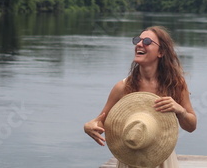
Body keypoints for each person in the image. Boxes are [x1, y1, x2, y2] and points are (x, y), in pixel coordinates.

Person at [84, 26, 197, 167]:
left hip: (163, 160)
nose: (139, 44)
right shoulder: (122, 87)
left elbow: (191, 126)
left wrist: (180, 111)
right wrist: (90, 126)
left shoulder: (175, 85)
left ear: (161, 52)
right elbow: (101, 122)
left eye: (147, 41)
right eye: (138, 40)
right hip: (130, 160)